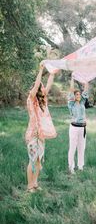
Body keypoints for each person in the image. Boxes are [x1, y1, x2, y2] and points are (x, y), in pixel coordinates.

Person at [25, 62, 57, 192]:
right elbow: (37, 84)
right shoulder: (31, 99)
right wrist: (40, 70)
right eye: (39, 86)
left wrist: (52, 73)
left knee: (38, 160)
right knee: (32, 160)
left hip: (41, 135)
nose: (42, 87)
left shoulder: (42, 100)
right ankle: (29, 186)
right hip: (33, 134)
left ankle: (35, 184)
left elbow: (48, 84)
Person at [67, 75, 89, 174]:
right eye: (76, 94)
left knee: (81, 147)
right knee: (73, 147)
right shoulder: (71, 103)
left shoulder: (83, 102)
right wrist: (72, 78)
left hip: (82, 128)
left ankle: (80, 166)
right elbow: (71, 90)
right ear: (74, 96)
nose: (78, 96)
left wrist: (85, 79)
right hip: (74, 127)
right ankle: (71, 167)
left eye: (79, 94)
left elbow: (86, 89)